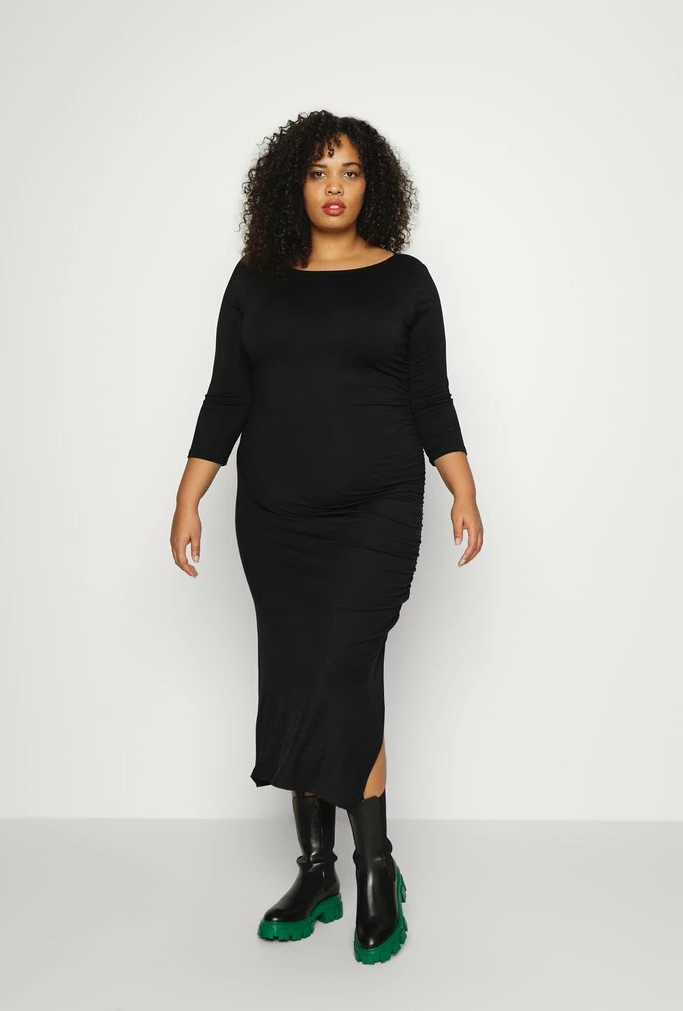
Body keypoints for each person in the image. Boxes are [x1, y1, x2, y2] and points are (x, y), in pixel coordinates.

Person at [170, 110, 484, 965]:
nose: (334, 187)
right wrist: (190, 495)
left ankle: (377, 868)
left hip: (374, 514)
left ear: (372, 183)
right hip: (275, 519)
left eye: (349, 171)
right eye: (318, 172)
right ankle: (317, 872)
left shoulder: (406, 281)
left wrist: (461, 485)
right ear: (293, 186)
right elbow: (226, 396)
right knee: (297, 678)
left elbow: (431, 397)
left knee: (345, 674)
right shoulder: (255, 281)